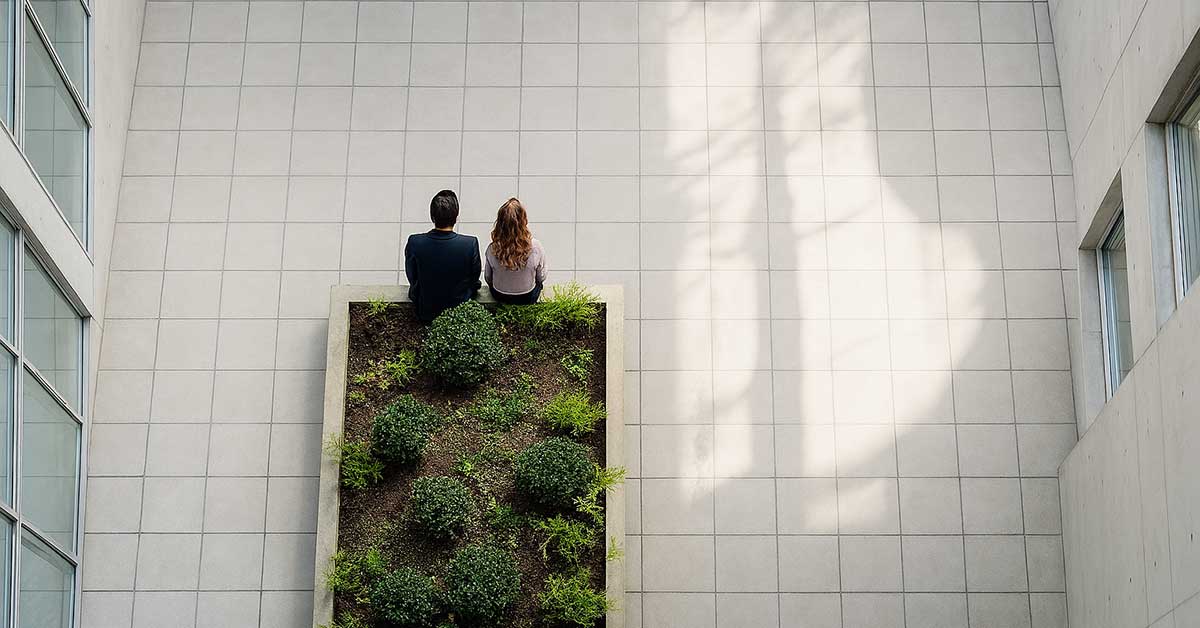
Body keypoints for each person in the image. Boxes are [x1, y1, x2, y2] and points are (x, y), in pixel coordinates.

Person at [404, 190, 482, 323]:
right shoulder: (469, 244)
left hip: (426, 311)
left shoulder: (415, 242)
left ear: (432, 217)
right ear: (456, 217)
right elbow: (474, 278)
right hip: (459, 309)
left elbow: (412, 276)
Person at [485, 198, 547, 304]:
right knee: (539, 285)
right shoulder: (535, 246)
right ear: (523, 220)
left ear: (500, 223)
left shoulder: (492, 248)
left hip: (499, 295)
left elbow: (488, 277)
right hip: (527, 297)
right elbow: (541, 277)